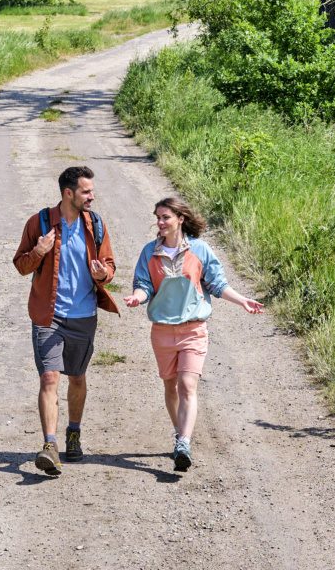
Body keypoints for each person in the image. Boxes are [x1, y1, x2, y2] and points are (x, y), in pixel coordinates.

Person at [122, 195, 264, 473]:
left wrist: (242, 300)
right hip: (162, 332)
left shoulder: (200, 250)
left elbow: (217, 283)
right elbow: (143, 285)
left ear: (180, 219)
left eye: (165, 217)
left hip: (194, 330)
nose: (160, 222)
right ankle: (180, 435)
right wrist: (137, 298)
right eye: (158, 218)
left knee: (188, 385)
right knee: (170, 385)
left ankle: (183, 443)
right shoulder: (149, 252)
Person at [12, 164, 118, 477]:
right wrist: (39, 252)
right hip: (49, 315)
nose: (92, 197)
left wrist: (104, 274)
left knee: (77, 378)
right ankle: (50, 444)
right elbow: (20, 265)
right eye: (86, 191)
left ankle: (73, 433)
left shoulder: (95, 224)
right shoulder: (40, 223)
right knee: (49, 378)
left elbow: (110, 265)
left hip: (84, 316)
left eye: (92, 191)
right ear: (68, 193)